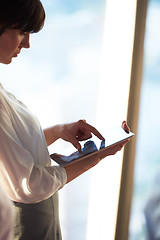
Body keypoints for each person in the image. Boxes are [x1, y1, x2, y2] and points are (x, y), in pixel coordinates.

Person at [0, 0, 130, 239]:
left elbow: (14, 146)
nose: (27, 44)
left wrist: (61, 130)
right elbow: (27, 184)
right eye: (22, 32)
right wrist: (93, 158)